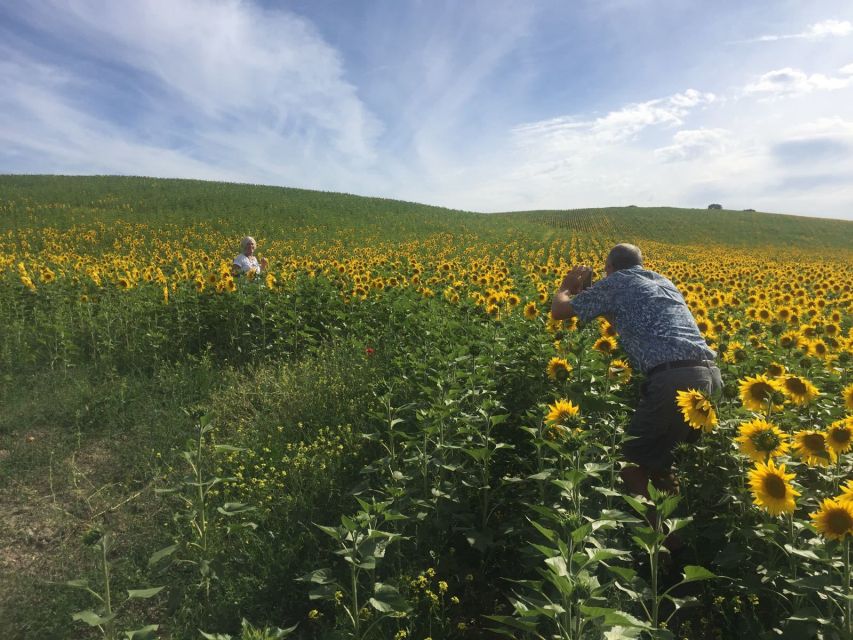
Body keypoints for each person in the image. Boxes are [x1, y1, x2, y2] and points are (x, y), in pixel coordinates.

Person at [550, 243, 722, 538]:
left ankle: (662, 542)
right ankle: (675, 535)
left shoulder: (617, 281)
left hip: (672, 380)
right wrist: (594, 294)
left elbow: (559, 311)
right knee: (661, 461)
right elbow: (624, 320)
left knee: (631, 462)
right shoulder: (662, 281)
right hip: (707, 376)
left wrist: (566, 286)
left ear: (610, 268)